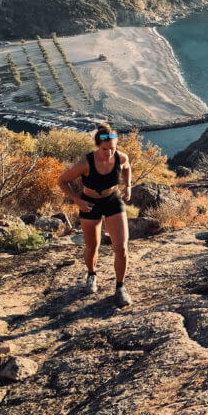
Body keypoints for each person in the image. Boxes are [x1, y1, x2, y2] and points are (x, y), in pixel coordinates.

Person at [57, 123, 133, 306]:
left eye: (112, 149)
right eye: (105, 149)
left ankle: (120, 287)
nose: (109, 153)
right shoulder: (85, 163)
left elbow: (127, 167)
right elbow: (62, 181)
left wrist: (128, 185)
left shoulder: (121, 157)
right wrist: (77, 199)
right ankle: (91, 275)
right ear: (98, 146)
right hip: (90, 205)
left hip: (113, 201)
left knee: (121, 248)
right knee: (92, 247)